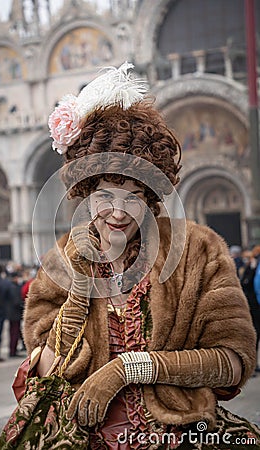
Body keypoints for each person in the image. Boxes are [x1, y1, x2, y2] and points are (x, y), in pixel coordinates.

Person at [21, 63, 259, 449]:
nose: (118, 211)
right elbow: (46, 368)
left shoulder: (199, 250)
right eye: (106, 194)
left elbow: (233, 362)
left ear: (150, 196)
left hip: (181, 428)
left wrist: (132, 368)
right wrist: (81, 285)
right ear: (86, 190)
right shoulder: (62, 259)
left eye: (133, 195)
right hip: (84, 434)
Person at [240, 249, 260, 374]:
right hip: (253, 306)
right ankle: (252, 366)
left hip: (255, 305)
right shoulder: (251, 268)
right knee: (254, 335)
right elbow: (245, 284)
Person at [8, 272, 25, 357]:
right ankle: (13, 351)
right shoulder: (14, 287)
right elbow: (16, 301)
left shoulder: (11, 286)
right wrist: (22, 306)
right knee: (14, 332)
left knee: (13, 332)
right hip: (15, 314)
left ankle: (13, 350)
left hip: (11, 313)